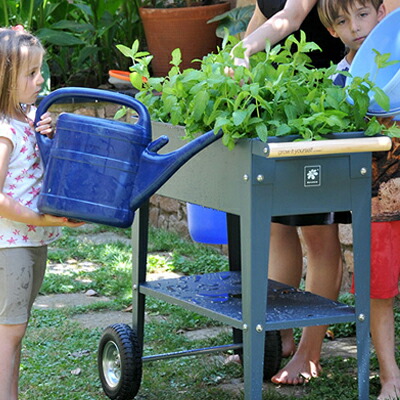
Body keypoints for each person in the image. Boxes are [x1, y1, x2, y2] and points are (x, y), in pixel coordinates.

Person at [229, 0, 352, 386]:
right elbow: (262, 18)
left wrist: (242, 50)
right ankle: (278, 335)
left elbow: (290, 18)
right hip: (282, 112)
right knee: (277, 226)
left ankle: (309, 351)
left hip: (320, 111)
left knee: (318, 232)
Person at [318, 1, 400, 399]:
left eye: (362, 14)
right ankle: (390, 376)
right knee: (378, 291)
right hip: (376, 208)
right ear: (332, 31)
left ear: (382, 12)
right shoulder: (339, 81)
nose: (355, 27)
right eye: (342, 21)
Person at [0, 28, 83, 400]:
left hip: (32, 241)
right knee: (8, 334)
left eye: (40, 71)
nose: (40, 81)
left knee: (14, 330)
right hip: (9, 245)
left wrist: (49, 131)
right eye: (30, 74)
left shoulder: (28, 116)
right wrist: (46, 219)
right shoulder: (3, 132)